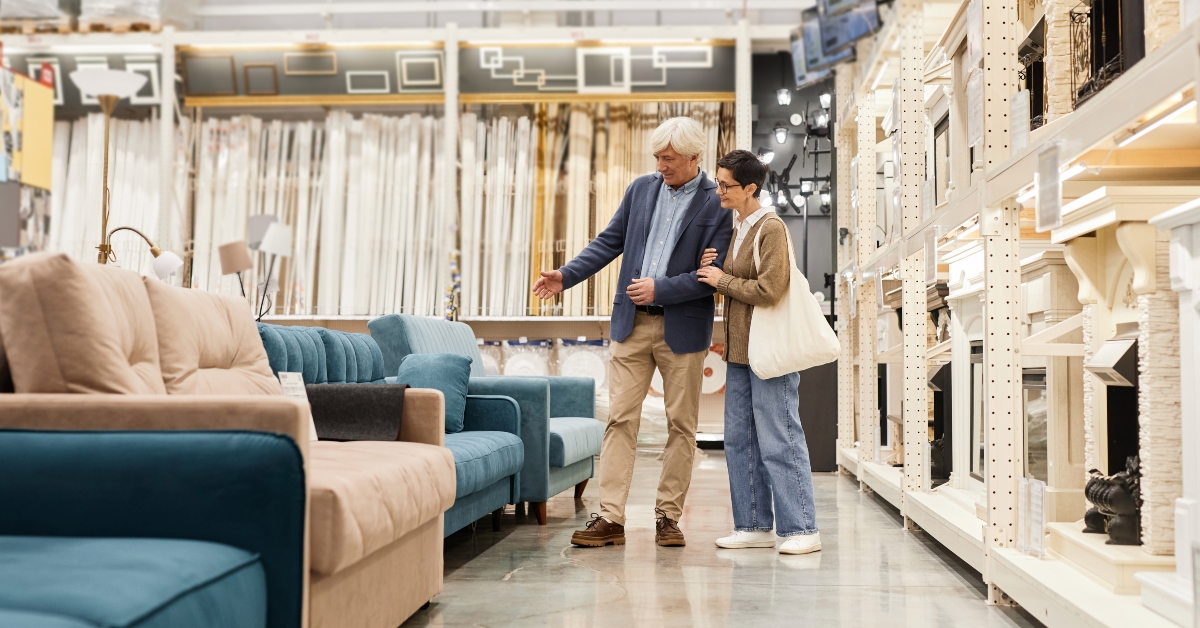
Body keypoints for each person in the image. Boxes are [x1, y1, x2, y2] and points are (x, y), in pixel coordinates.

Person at [533, 117, 734, 548]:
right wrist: (565, 276)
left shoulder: (718, 203)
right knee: (620, 419)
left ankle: (667, 517)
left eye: (669, 159)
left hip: (684, 327)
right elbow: (608, 242)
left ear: (695, 158)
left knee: (682, 425)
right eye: (657, 158)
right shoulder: (641, 189)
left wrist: (660, 287)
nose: (660, 166)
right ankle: (610, 518)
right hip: (631, 324)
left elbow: (711, 275)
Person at [696, 149, 821, 555]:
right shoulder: (739, 227)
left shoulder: (771, 227)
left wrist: (722, 281)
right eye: (718, 182)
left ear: (750, 188)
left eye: (726, 185)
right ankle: (752, 524)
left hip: (768, 352)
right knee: (738, 440)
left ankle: (802, 528)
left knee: (779, 439)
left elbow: (771, 289)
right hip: (740, 353)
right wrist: (717, 270)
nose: (720, 191)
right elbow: (738, 280)